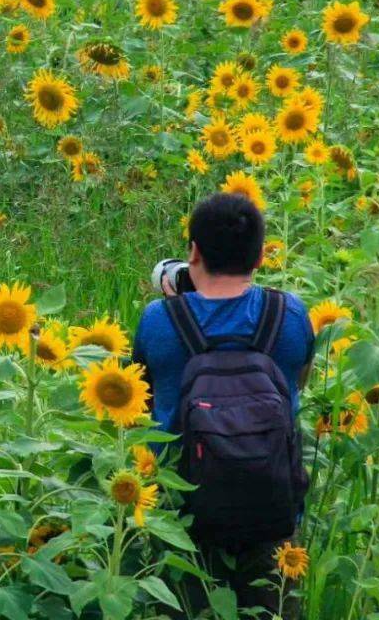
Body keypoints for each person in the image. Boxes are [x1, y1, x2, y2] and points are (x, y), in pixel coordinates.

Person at [131, 193, 315, 619]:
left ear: (193, 251)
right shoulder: (287, 313)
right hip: (273, 507)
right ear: (259, 258)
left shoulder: (159, 319)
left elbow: (141, 394)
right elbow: (298, 382)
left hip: (181, 513)